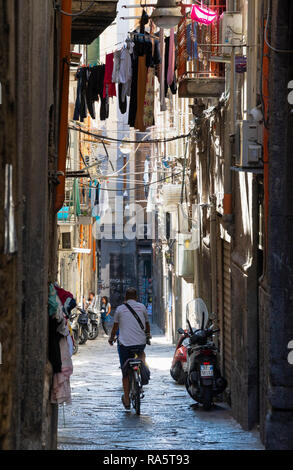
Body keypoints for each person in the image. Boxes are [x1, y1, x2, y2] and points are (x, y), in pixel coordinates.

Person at [108, 287, 151, 410]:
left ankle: (126, 399)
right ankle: (142, 366)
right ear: (136, 297)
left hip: (125, 345)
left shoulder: (120, 310)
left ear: (125, 298)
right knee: (142, 354)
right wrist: (147, 335)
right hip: (139, 344)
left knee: (125, 372)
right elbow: (147, 325)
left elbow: (115, 328)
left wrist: (111, 338)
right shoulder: (142, 307)